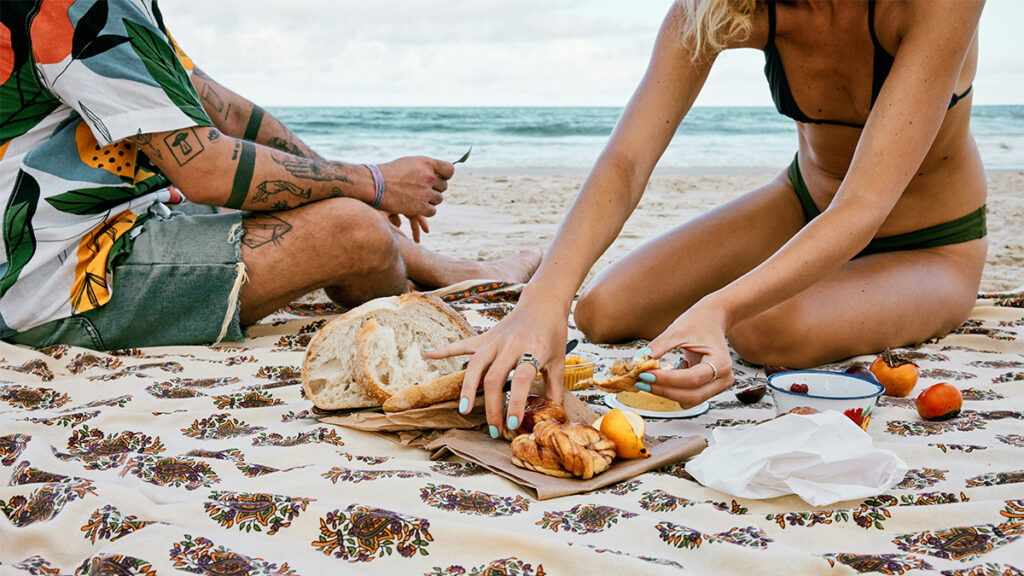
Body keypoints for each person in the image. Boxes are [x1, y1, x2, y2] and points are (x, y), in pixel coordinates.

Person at [428, 0, 987, 439]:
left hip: (928, 243)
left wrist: (718, 308)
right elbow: (626, 162)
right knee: (601, 311)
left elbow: (863, 206)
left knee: (762, 329)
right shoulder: (725, 6)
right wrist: (546, 297)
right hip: (803, 204)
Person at [0, 0, 540, 350]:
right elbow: (208, 170)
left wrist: (360, 183)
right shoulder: (77, 6)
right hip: (48, 287)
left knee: (313, 195)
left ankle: (450, 269)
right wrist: (372, 184)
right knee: (356, 232)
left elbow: (225, 111)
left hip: (109, 221)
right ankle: (401, 288)